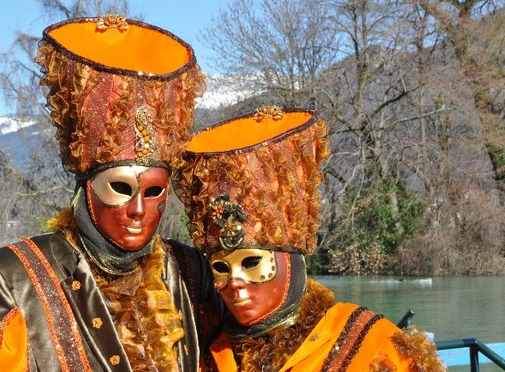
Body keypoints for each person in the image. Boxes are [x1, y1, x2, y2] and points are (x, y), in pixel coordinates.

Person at [0, 15, 221, 372]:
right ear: (87, 188)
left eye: (154, 190)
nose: (138, 210)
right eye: (121, 188)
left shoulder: (190, 273)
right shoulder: (9, 280)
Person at [174, 107, 446, 371]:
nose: (234, 283)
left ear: (289, 260)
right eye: (221, 267)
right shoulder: (208, 355)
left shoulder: (371, 345)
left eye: (251, 263)